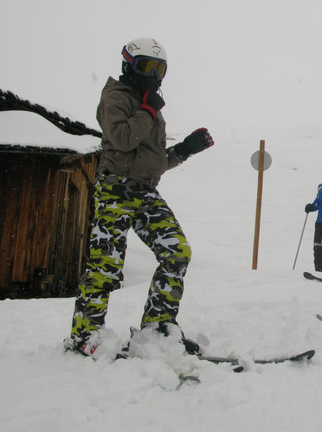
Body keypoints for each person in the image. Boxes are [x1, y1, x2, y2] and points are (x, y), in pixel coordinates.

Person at [66, 37, 214, 357]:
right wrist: (147, 109)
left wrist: (185, 149)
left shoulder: (151, 109)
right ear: (129, 65)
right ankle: (85, 334)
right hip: (115, 189)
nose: (154, 75)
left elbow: (152, 161)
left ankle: (158, 327)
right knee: (106, 264)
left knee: (177, 252)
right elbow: (122, 139)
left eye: (159, 69)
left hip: (144, 192)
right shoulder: (116, 97)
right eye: (147, 67)